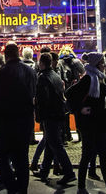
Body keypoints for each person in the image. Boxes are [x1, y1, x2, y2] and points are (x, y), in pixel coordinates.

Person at [0, 42, 38, 194]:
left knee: (2, 155)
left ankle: (11, 185)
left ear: (6, 55)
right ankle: (22, 189)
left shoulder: (1, 73)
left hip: (7, 120)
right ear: (19, 53)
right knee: (22, 157)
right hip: (26, 119)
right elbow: (34, 95)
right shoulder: (30, 71)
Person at [67, 52, 106, 194]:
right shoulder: (89, 79)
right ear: (96, 64)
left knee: (103, 156)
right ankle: (81, 188)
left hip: (100, 123)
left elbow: (104, 103)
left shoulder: (100, 78)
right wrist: (80, 109)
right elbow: (69, 93)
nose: (105, 65)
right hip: (89, 125)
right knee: (87, 156)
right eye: (102, 63)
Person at [35, 52, 75, 186]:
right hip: (59, 114)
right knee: (50, 144)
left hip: (50, 115)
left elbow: (42, 99)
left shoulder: (43, 78)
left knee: (56, 145)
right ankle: (44, 170)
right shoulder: (56, 76)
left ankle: (69, 172)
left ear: (41, 63)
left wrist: (39, 116)